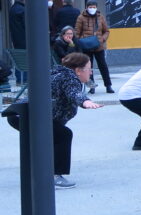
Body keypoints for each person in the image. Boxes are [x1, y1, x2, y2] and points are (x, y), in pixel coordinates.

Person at [5, 52, 103, 189]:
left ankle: (41, 174)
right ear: (78, 71)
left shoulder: (59, 74)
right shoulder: (69, 77)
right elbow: (74, 94)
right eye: (89, 68)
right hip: (26, 115)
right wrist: (85, 102)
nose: (91, 72)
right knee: (63, 134)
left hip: (19, 113)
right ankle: (55, 176)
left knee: (52, 137)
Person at [74, 0, 113, 94]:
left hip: (98, 46)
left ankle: (108, 86)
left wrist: (102, 39)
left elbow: (106, 31)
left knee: (103, 65)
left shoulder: (100, 17)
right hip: (86, 46)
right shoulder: (81, 17)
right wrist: (79, 43)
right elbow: (77, 32)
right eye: (90, 7)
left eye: (94, 7)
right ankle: (91, 87)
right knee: (88, 67)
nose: (92, 8)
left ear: (96, 7)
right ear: (86, 7)